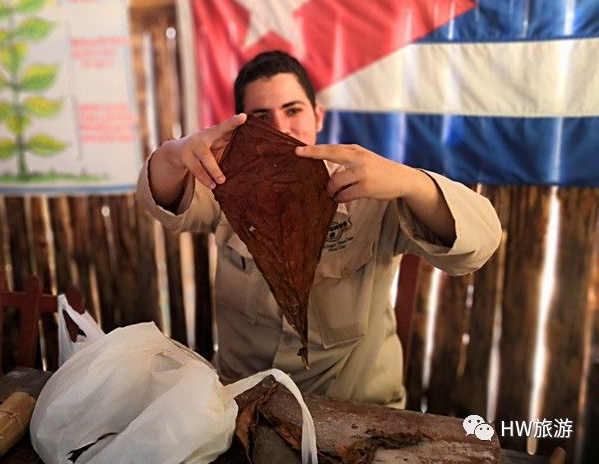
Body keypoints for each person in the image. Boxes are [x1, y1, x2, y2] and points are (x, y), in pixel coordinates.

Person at [136, 50, 501, 408]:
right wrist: (173, 155)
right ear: (242, 128)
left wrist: (412, 182)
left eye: (293, 110)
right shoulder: (225, 188)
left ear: (317, 116)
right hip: (243, 406)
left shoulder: (369, 191)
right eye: (262, 117)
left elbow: (479, 245)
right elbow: (164, 204)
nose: (280, 128)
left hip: (359, 413)